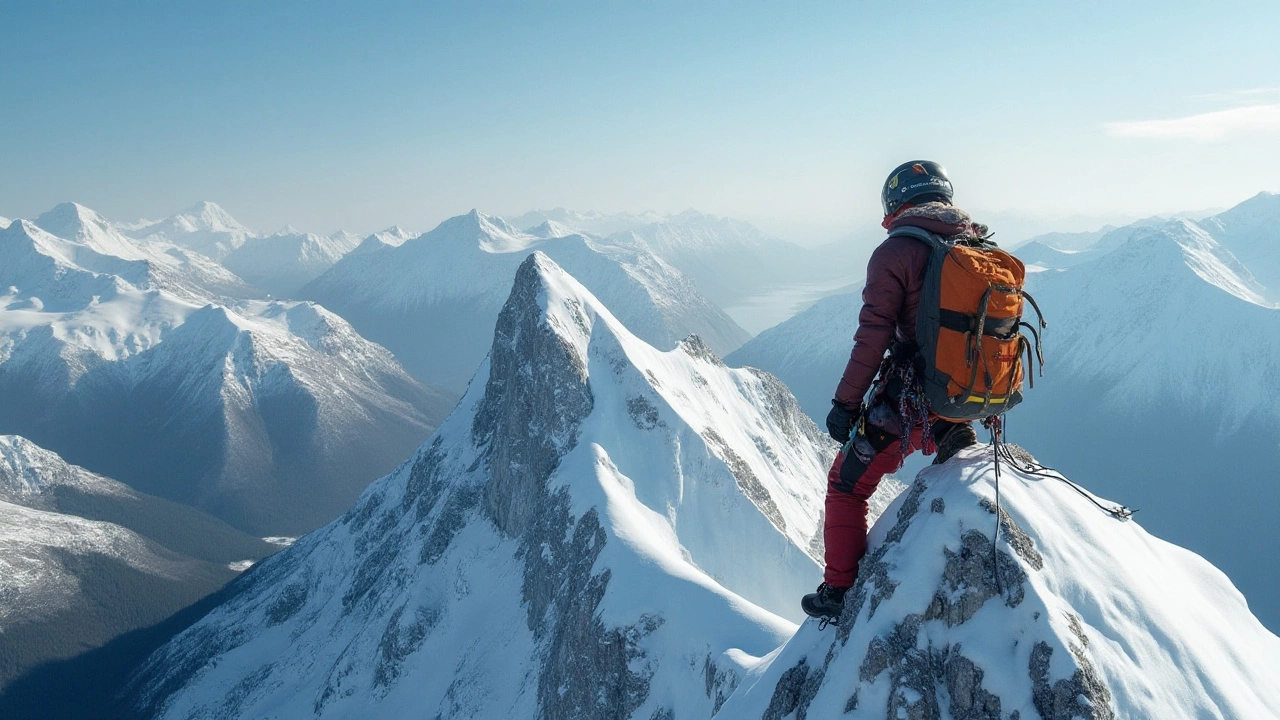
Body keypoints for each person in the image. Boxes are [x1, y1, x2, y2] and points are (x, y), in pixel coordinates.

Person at [801, 160, 982, 622]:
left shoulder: (896, 253)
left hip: (906, 399)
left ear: (896, 204)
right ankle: (950, 432)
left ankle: (839, 590)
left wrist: (845, 404)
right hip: (965, 392)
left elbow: (873, 337)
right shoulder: (974, 243)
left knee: (845, 485)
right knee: (940, 430)